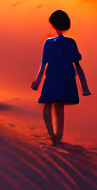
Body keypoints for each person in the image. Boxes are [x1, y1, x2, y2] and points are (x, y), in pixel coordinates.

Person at [31, 9, 89, 144]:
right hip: (67, 77)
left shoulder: (49, 43)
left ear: (52, 24)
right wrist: (84, 87)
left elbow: (43, 64)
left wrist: (37, 82)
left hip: (52, 78)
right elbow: (78, 66)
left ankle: (53, 135)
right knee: (60, 106)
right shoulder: (71, 42)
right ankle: (59, 135)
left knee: (47, 105)